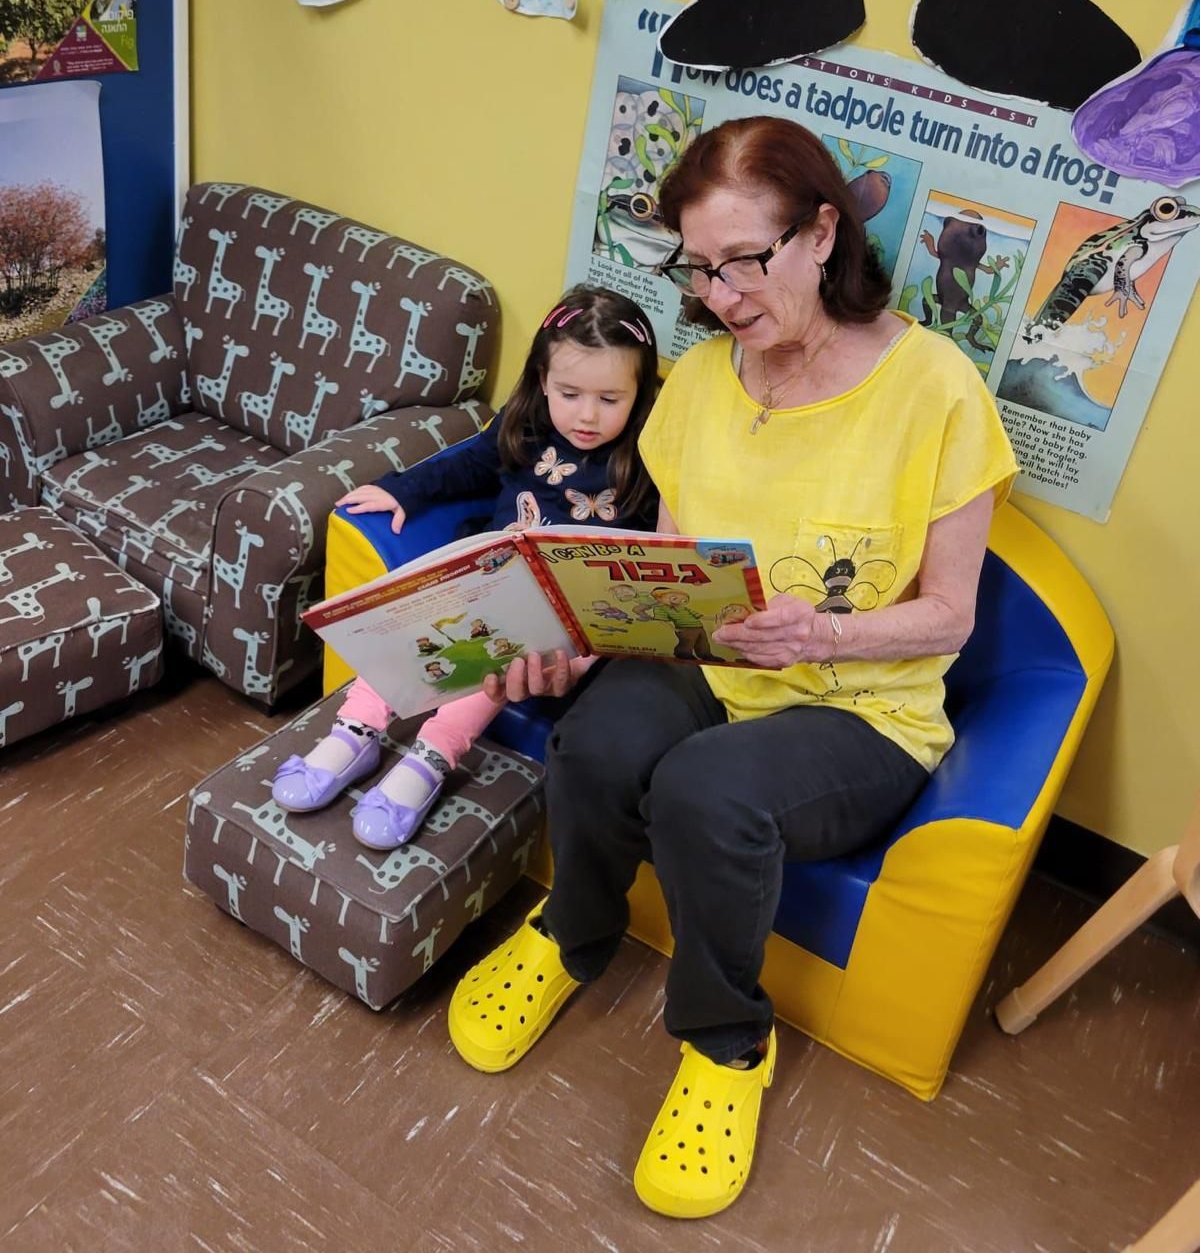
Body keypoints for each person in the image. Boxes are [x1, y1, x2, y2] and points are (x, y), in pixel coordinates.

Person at [445, 116, 1018, 1221]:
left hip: (859, 704)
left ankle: (724, 1041)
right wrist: (572, 630)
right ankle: (574, 931)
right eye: (699, 268)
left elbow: (948, 615)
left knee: (707, 789)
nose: (721, 295)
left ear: (820, 233)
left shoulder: (936, 387)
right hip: (717, 658)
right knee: (599, 740)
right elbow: (662, 567)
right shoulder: (703, 381)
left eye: (745, 260)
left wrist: (823, 636)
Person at [271, 284, 660, 849]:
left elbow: (635, 569)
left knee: (495, 652)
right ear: (543, 381)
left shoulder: (645, 458)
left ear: (639, 395)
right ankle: (356, 729)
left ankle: (433, 756)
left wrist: (591, 648)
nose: (586, 415)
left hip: (563, 618)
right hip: (490, 577)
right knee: (420, 620)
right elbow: (471, 463)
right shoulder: (529, 423)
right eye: (569, 392)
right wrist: (402, 491)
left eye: (609, 399)